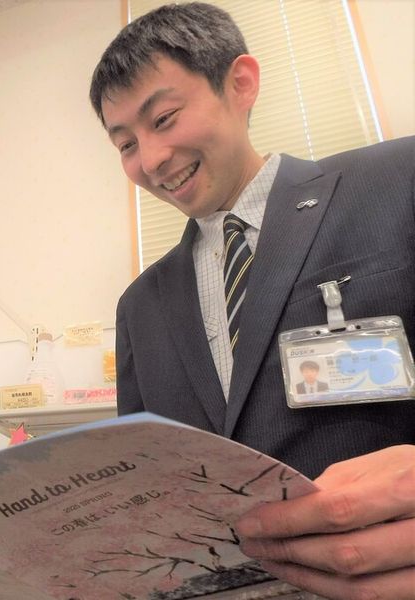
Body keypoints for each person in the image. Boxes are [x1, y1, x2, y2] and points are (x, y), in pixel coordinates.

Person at [87, 3, 415, 599]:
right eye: (126, 143)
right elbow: (144, 483)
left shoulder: (398, 181)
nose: (151, 160)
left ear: (240, 83)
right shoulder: (139, 306)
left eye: (163, 118)